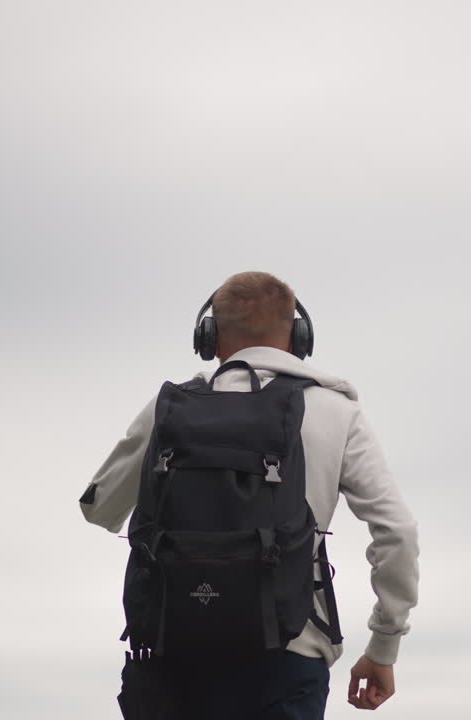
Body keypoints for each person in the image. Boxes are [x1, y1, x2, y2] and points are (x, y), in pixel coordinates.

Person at [80, 271, 420, 718]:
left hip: (176, 656)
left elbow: (98, 507)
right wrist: (383, 647)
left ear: (209, 337)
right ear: (299, 336)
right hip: (289, 654)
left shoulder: (172, 408)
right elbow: (397, 532)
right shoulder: (336, 411)